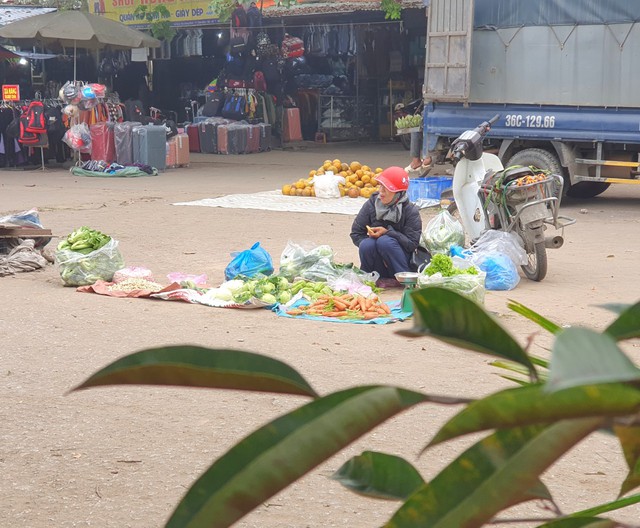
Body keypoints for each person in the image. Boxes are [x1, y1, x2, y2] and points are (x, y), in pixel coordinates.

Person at [350, 166, 422, 288]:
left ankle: (402, 280)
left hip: (401, 261)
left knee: (385, 242)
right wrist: (374, 246)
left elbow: (412, 244)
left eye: (386, 188)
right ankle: (370, 277)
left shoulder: (410, 211)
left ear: (398, 194)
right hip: (378, 264)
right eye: (380, 186)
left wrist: (387, 233)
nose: (381, 192)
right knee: (368, 244)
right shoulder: (372, 204)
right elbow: (356, 233)